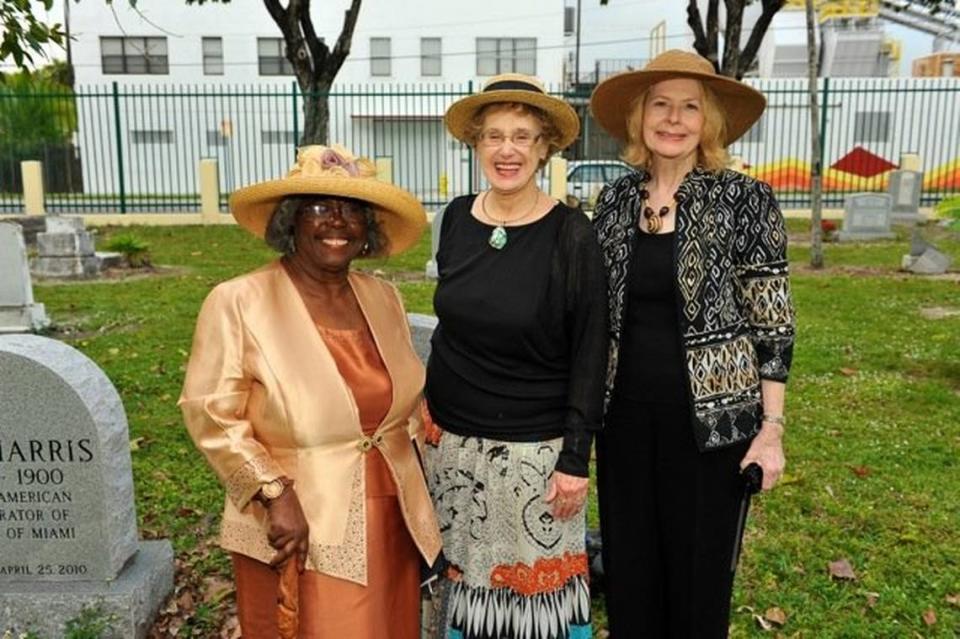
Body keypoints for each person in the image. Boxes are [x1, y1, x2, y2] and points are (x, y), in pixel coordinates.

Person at [179, 144, 442, 639]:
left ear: (369, 229)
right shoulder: (238, 301)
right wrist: (274, 493)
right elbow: (209, 412)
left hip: (389, 514)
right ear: (290, 222)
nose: (336, 222)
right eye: (319, 209)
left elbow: (403, 405)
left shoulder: (382, 297)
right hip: (294, 518)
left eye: (351, 211)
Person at [589, 50, 797, 638]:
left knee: (699, 581)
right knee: (630, 573)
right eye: (661, 104)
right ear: (640, 118)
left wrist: (771, 429)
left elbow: (773, 322)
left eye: (690, 107)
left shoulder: (745, 200)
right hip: (623, 421)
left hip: (714, 428)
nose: (674, 119)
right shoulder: (614, 202)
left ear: (709, 122)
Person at [422, 73, 608, 639]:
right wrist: (425, 407)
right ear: (475, 144)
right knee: (460, 592)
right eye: (495, 136)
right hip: (450, 449)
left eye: (523, 136)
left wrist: (576, 459)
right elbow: (450, 328)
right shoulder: (454, 219)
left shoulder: (571, 234)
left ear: (545, 146)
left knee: (529, 607)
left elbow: (591, 351)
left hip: (533, 457)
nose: (508, 150)